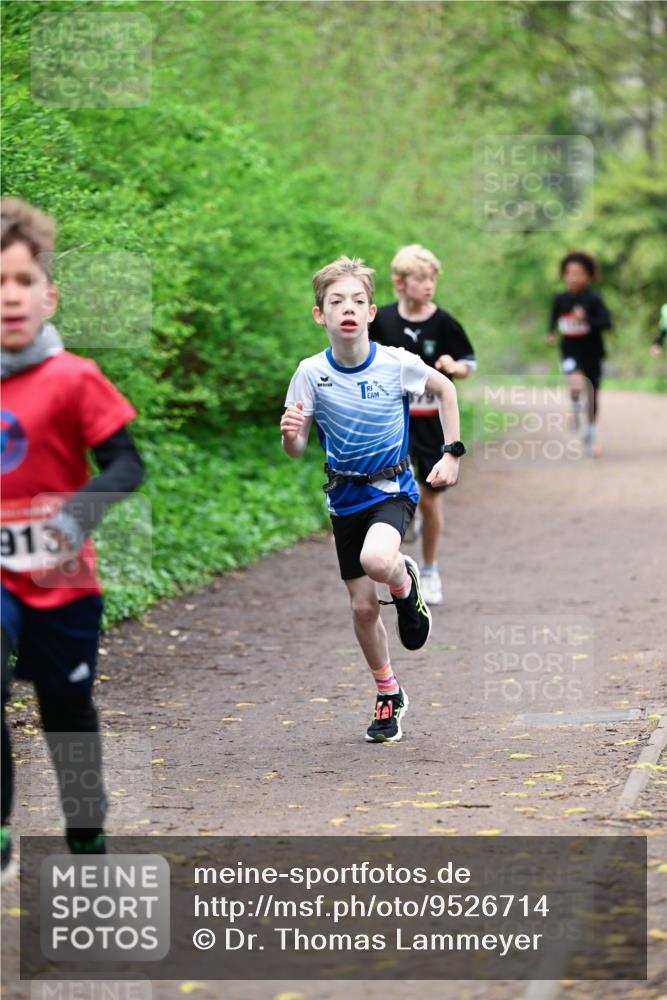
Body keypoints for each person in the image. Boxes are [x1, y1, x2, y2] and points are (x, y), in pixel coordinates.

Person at [1, 198, 145, 883]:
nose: (9, 297)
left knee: (65, 710)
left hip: (61, 580)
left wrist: (75, 516)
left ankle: (85, 825)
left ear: (48, 295)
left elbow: (126, 463)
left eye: (23, 281)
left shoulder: (73, 378)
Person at [280, 256, 464, 743]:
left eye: (357, 301)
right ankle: (389, 692)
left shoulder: (393, 361)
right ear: (319, 314)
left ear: (370, 312)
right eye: (336, 301)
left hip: (391, 488)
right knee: (362, 608)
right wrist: (292, 434)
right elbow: (296, 448)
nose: (347, 308)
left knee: (378, 558)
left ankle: (405, 586)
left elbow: (445, 389)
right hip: (344, 497)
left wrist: (452, 453)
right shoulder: (309, 373)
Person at [369, 245, 475, 605]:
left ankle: (429, 569)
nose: (429, 285)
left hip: (432, 423)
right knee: (393, 491)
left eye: (432, 278)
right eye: (421, 279)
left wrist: (454, 366)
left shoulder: (442, 322)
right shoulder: (380, 320)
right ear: (400, 282)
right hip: (392, 422)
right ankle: (401, 548)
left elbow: (467, 363)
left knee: (431, 500)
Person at [546, 251, 612, 456]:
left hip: (592, 351)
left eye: (579, 273)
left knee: (592, 395)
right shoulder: (560, 298)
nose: (574, 277)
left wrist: (586, 319)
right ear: (564, 275)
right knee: (574, 379)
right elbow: (553, 318)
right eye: (570, 273)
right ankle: (575, 407)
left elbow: (607, 323)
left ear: (588, 276)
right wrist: (550, 333)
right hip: (570, 350)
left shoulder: (594, 298)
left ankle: (591, 435)